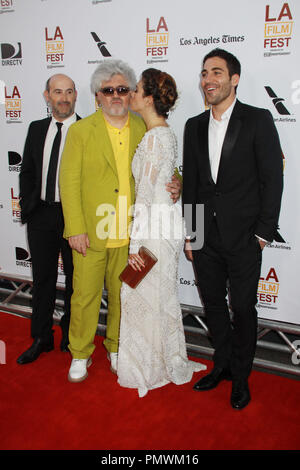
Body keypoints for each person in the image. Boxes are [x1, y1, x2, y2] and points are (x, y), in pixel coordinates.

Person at [59, 60, 181, 383]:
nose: (116, 95)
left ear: (131, 95)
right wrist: (75, 228)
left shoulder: (145, 127)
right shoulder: (80, 131)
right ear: (97, 96)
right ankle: (80, 353)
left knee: (123, 296)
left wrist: (178, 181)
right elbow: (68, 181)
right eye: (108, 90)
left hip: (133, 236)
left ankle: (115, 347)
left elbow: (167, 164)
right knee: (83, 296)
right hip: (91, 233)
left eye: (123, 89)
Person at [182, 48, 283, 409]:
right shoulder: (193, 125)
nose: (208, 79)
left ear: (234, 79)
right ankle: (221, 365)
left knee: (243, 308)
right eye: (205, 73)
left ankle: (241, 377)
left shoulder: (258, 120)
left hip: (244, 238)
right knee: (213, 306)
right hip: (205, 238)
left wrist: (263, 233)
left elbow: (273, 180)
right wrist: (192, 233)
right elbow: (192, 184)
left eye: (217, 73)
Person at [117, 68, 207, 398]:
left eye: (136, 90)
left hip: (153, 230)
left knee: (139, 293)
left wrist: (135, 243)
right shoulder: (163, 133)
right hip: (163, 227)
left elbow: (145, 194)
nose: (131, 95)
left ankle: (149, 366)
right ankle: (163, 360)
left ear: (149, 98)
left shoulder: (155, 137)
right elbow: (165, 182)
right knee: (156, 297)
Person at [17, 74, 79, 364]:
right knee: (42, 279)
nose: (63, 98)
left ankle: (70, 336)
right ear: (47, 96)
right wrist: (28, 205)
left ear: (76, 95)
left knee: (76, 282)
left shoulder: (87, 129)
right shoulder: (36, 128)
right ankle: (41, 337)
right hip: (41, 214)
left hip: (75, 218)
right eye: (57, 92)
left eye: (68, 92)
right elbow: (27, 170)